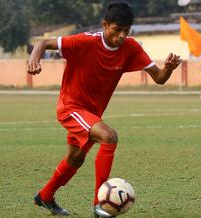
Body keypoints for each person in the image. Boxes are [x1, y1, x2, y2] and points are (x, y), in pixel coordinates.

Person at [27, 1, 182, 217]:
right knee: (109, 137)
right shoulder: (85, 42)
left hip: (91, 114)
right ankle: (100, 204)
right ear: (105, 25)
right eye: (117, 30)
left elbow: (159, 78)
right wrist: (34, 60)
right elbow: (43, 43)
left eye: (126, 31)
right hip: (71, 107)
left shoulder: (131, 48)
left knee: (75, 159)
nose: (121, 36)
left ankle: (45, 196)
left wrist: (168, 69)